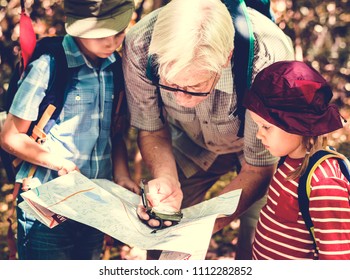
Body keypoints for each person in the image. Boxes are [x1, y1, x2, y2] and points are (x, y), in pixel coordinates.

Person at [122, 0, 294, 259]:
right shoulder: (140, 45)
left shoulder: (268, 58)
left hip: (258, 149)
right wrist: (166, 177)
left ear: (226, 58)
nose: (180, 99)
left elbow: (258, 168)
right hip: (190, 141)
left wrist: (201, 228)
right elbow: (152, 128)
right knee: (160, 234)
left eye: (195, 87)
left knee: (259, 243)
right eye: (171, 85)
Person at [0, 0, 137, 260]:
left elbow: (114, 133)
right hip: (47, 203)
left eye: (118, 33)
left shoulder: (114, 67)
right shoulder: (48, 64)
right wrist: (58, 162)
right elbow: (10, 136)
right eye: (101, 36)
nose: (111, 43)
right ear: (77, 28)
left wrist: (122, 175)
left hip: (98, 200)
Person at [243, 60, 350, 260]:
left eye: (266, 127)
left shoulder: (323, 183)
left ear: (298, 126)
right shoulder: (287, 161)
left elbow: (338, 261)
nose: (259, 135)